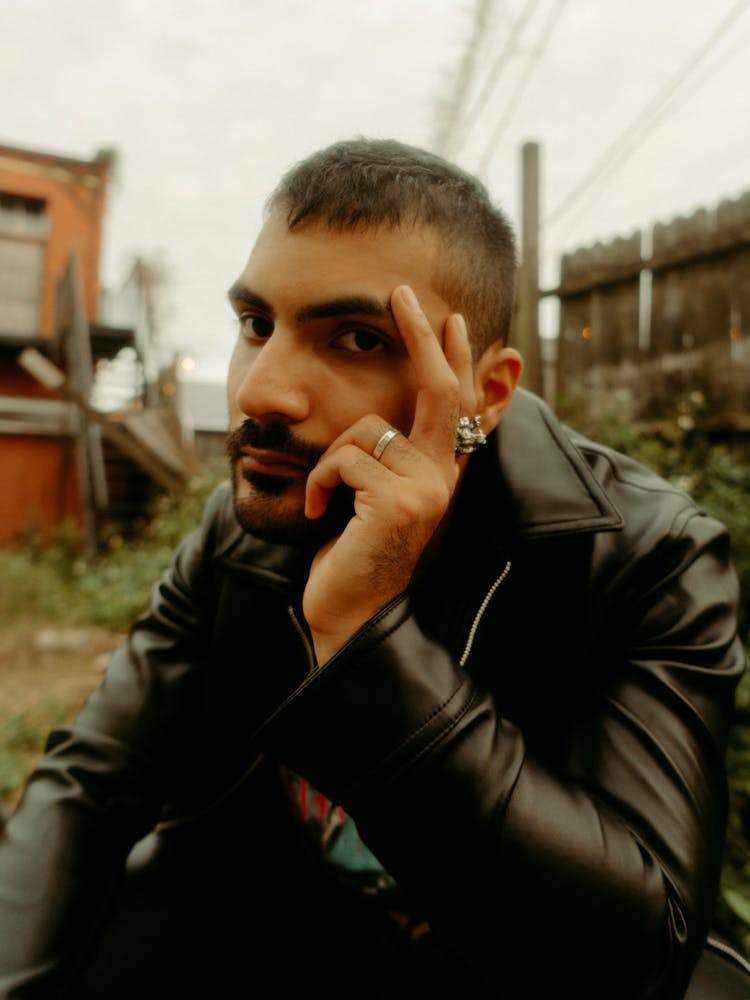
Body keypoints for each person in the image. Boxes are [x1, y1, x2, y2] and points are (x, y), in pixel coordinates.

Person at [0, 138, 746, 999]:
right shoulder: (243, 528)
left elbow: (633, 957)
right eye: (256, 326)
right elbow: (93, 780)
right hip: (281, 923)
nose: (260, 391)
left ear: (485, 393)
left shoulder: (644, 556)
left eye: (355, 338)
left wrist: (364, 636)